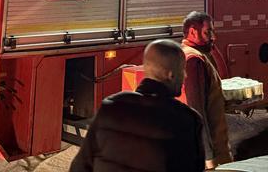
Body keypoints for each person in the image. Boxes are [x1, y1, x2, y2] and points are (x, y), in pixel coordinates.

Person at [69, 40, 205, 172]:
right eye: (182, 70)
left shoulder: (111, 106)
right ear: (170, 75)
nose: (185, 75)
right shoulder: (187, 120)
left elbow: (80, 166)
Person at [182, 11, 232, 169]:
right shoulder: (194, 61)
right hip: (211, 153)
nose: (213, 37)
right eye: (208, 32)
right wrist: (209, 157)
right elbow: (197, 112)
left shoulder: (190, 54)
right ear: (192, 32)